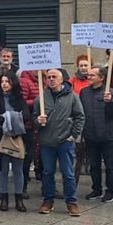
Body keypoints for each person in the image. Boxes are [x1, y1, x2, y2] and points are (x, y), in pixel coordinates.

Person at [33, 69, 85, 216]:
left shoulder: (72, 97)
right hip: (47, 142)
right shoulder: (41, 99)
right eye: (48, 77)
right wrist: (38, 121)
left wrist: (74, 135)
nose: (51, 79)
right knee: (48, 172)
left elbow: (80, 117)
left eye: (54, 77)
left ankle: (71, 202)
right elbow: (33, 119)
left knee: (68, 173)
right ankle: (48, 200)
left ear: (61, 80)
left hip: (65, 141)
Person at [80, 67, 113, 203]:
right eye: (88, 75)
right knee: (94, 165)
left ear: (101, 78)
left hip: (108, 136)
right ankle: (96, 189)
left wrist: (109, 102)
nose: (88, 77)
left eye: (92, 75)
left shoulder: (112, 93)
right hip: (91, 135)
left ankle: (110, 191)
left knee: (110, 166)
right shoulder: (84, 92)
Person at [0, 72, 30, 212]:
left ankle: (18, 199)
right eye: (2, 81)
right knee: (3, 170)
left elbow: (26, 115)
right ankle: (4, 199)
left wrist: (7, 117)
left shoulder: (19, 98)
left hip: (17, 137)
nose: (4, 84)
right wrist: (14, 117)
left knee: (18, 169)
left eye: (7, 81)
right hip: (1, 137)